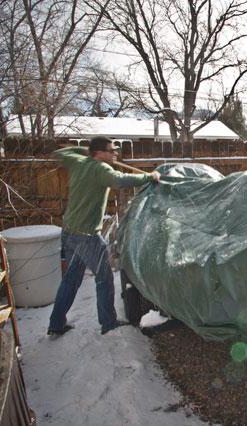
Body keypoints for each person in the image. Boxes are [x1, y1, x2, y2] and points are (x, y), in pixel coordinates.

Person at [48, 137, 160, 336]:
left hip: (70, 233)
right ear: (99, 153)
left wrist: (84, 150)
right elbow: (120, 180)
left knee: (70, 280)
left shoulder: (79, 162)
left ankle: (56, 324)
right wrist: (149, 177)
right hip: (87, 236)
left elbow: (61, 153)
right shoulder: (101, 169)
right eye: (110, 150)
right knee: (105, 278)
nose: (114, 154)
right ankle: (108, 323)